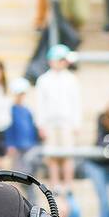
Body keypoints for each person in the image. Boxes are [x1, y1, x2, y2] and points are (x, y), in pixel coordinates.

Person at [35, 45, 83, 185]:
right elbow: (40, 104)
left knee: (67, 155)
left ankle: (68, 185)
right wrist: (41, 125)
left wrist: (76, 123)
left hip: (67, 122)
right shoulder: (43, 80)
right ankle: (54, 185)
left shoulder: (72, 79)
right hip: (49, 123)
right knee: (52, 156)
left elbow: (76, 103)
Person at [5, 78, 40, 176]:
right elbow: (9, 129)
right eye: (18, 94)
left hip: (29, 145)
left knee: (29, 169)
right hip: (17, 146)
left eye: (22, 94)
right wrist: (10, 144)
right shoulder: (10, 110)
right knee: (17, 171)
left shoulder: (27, 110)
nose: (20, 97)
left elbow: (31, 128)